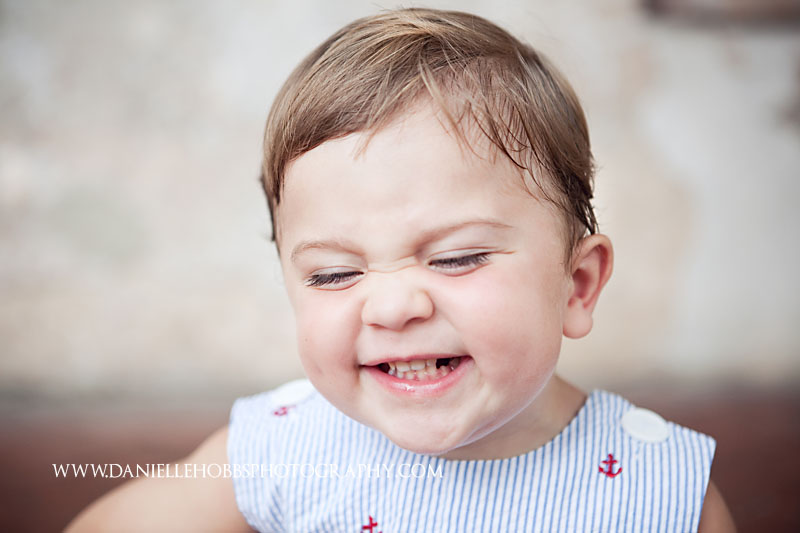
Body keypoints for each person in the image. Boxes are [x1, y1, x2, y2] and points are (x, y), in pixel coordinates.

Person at [68, 8, 735, 532]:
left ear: (578, 285)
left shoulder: (662, 491)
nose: (391, 307)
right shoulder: (281, 449)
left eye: (456, 258)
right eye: (333, 274)